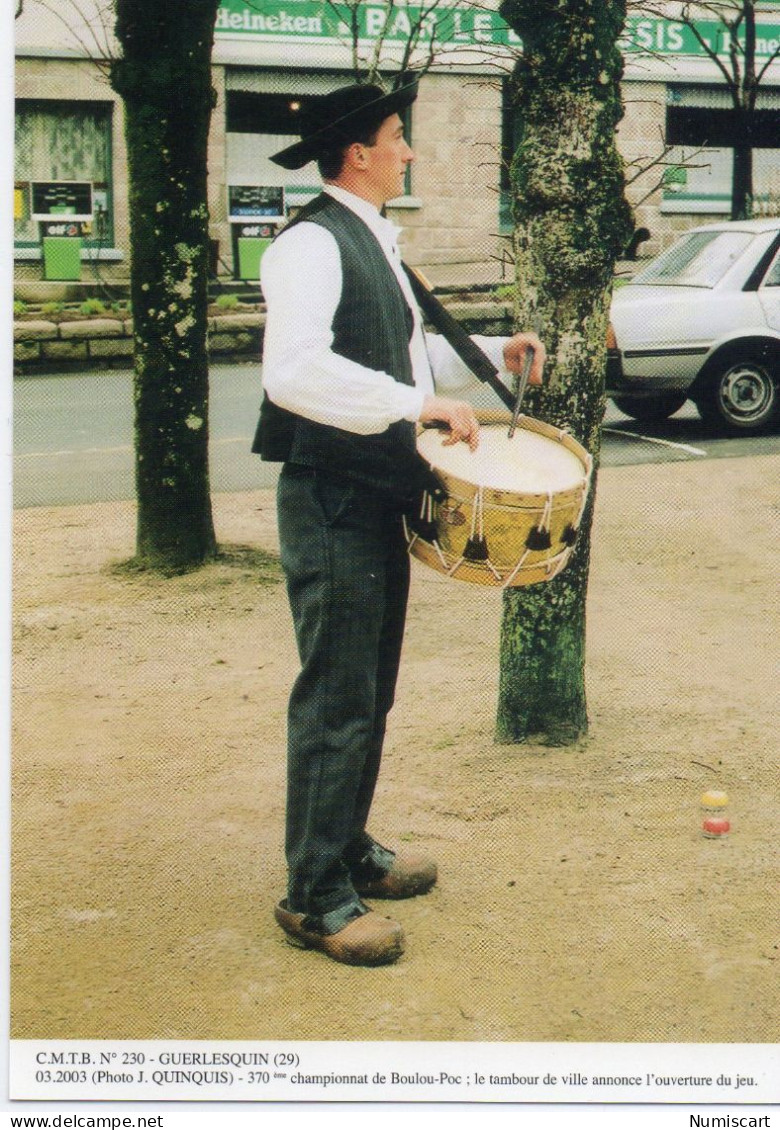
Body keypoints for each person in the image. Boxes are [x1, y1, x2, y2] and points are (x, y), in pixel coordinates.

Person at [253, 74, 545, 967]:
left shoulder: (373, 240)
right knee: (337, 696)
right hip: (330, 493)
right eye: (398, 136)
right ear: (361, 153)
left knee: (369, 691)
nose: (408, 150)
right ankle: (314, 897)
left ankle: (347, 849)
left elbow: (403, 355)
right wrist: (413, 409)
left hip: (374, 490)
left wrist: (493, 354)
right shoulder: (308, 246)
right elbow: (292, 373)